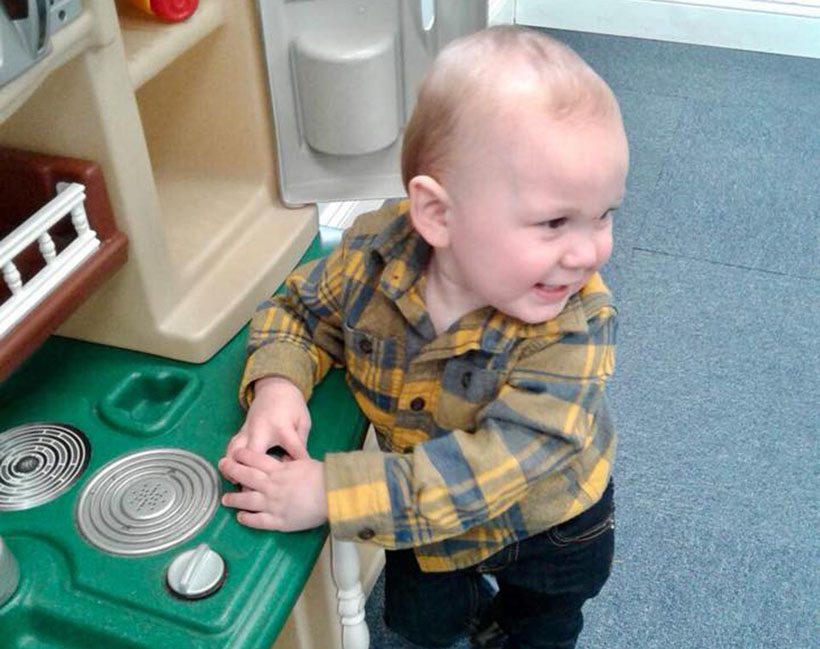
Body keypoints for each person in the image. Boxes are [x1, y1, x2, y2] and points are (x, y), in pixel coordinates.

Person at [219, 25, 629, 649]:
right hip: (414, 508)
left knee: (540, 624)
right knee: (419, 622)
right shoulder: (371, 255)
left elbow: (479, 479)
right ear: (437, 214)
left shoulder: (577, 327)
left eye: (604, 214)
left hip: (548, 526)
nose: (590, 251)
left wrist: (332, 491)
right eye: (554, 222)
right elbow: (300, 311)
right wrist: (279, 385)